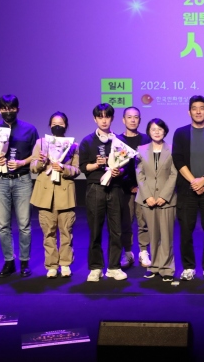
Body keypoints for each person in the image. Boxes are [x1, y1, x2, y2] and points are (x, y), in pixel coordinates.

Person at [172, 95, 204, 281]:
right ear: (189, 112)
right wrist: (194, 182)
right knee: (186, 230)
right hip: (187, 190)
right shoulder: (180, 133)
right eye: (194, 108)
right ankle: (188, 267)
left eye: (202, 108)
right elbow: (178, 159)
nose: (198, 111)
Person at [0, 95, 39, 278]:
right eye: (4, 108)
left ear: (17, 109)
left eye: (11, 108)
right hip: (0, 180)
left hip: (22, 179)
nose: (8, 111)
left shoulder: (29, 129)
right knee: (3, 225)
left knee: (24, 225)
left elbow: (37, 154)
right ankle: (9, 262)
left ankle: (24, 262)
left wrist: (22, 162)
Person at [30, 112, 80, 278]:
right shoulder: (41, 143)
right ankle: (51, 265)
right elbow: (33, 167)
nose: (57, 126)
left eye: (61, 123)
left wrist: (64, 168)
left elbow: (77, 169)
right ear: (50, 125)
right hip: (45, 194)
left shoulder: (73, 145)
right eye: (54, 123)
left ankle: (65, 263)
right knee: (48, 232)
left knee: (66, 231)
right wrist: (41, 161)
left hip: (65, 193)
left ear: (66, 125)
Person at [79, 104, 125, 282]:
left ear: (112, 118)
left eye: (107, 116)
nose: (104, 120)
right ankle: (95, 267)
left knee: (116, 230)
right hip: (95, 187)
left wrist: (119, 171)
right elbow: (83, 167)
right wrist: (96, 164)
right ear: (95, 119)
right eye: (100, 117)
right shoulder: (87, 141)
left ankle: (114, 267)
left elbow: (126, 166)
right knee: (95, 229)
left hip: (115, 188)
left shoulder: (119, 140)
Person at [135, 118, 178, 281]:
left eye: (160, 129)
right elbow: (140, 174)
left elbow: (174, 174)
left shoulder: (172, 149)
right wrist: (148, 196)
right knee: (152, 235)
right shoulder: (141, 150)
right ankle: (154, 266)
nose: (157, 132)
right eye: (153, 129)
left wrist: (163, 196)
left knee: (166, 236)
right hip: (148, 199)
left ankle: (167, 268)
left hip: (167, 200)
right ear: (148, 132)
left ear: (165, 131)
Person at [116, 107, 151, 269]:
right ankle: (128, 252)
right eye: (129, 117)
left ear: (140, 120)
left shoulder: (146, 139)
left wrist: (140, 186)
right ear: (123, 120)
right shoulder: (117, 140)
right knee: (126, 222)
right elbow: (116, 165)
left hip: (144, 189)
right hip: (124, 189)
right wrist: (130, 185)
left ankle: (143, 251)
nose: (132, 120)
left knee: (144, 222)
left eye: (136, 117)